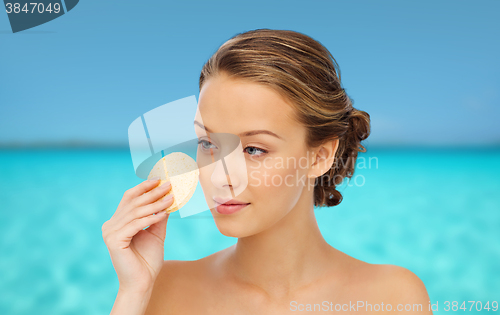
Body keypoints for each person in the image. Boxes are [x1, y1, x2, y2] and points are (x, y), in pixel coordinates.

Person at [102, 28, 432, 314]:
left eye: (254, 149)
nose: (219, 176)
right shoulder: (163, 289)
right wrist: (134, 292)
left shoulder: (393, 298)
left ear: (319, 156)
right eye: (208, 144)